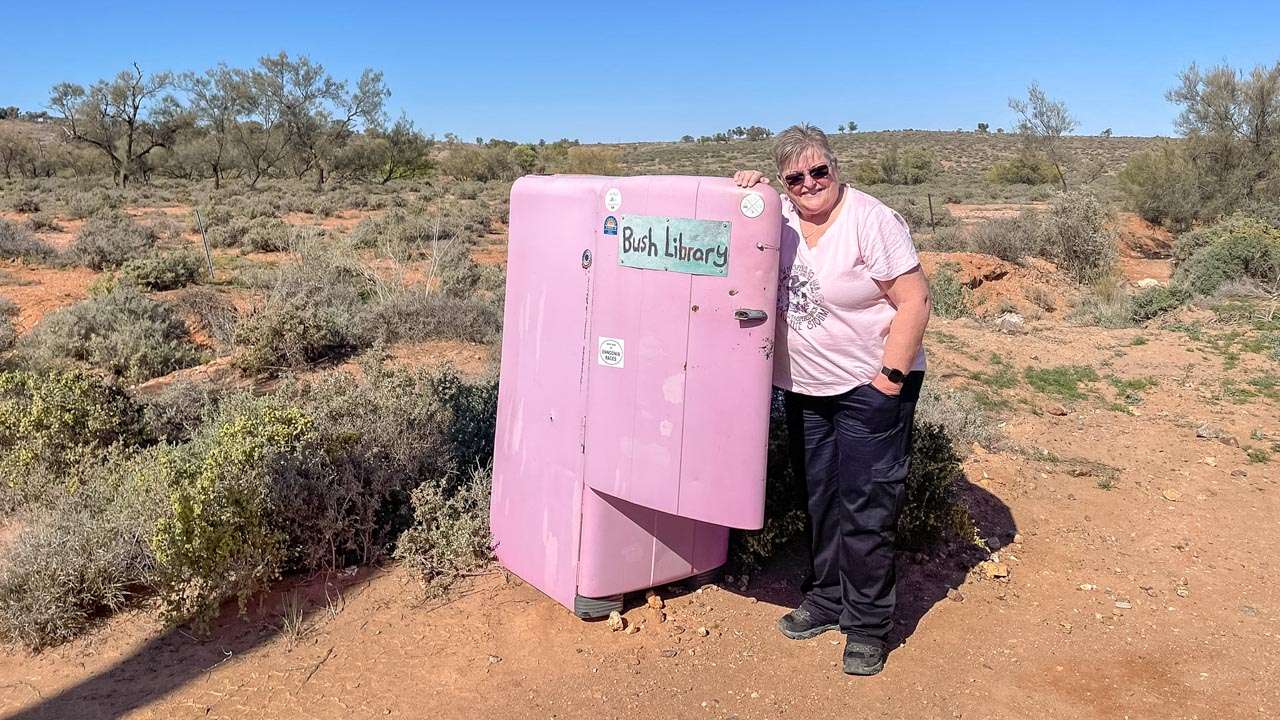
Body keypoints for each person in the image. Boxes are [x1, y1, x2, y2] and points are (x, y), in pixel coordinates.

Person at [733, 124, 931, 676]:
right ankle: (826, 599)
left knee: (867, 504)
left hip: (870, 386)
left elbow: (914, 301)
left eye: (819, 170)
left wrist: (889, 380)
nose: (809, 183)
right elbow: (727, 228)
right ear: (783, 182)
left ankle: (867, 625)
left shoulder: (872, 219)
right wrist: (742, 193)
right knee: (821, 498)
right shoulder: (780, 220)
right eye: (795, 176)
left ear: (835, 169)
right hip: (806, 390)